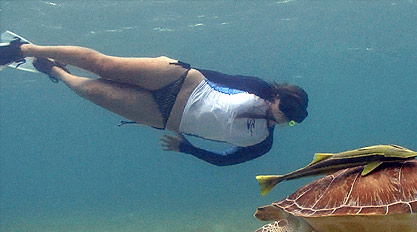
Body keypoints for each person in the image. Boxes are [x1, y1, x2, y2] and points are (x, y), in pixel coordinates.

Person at [0, 38, 308, 166]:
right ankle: (24, 49)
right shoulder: (258, 89)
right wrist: (182, 66)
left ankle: (55, 70)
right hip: (181, 81)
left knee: (91, 91)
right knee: (104, 66)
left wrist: (186, 148)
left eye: (292, 119)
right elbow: (218, 76)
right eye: (287, 109)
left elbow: (224, 160)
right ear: (279, 96)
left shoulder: (262, 143)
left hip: (164, 116)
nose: (284, 118)